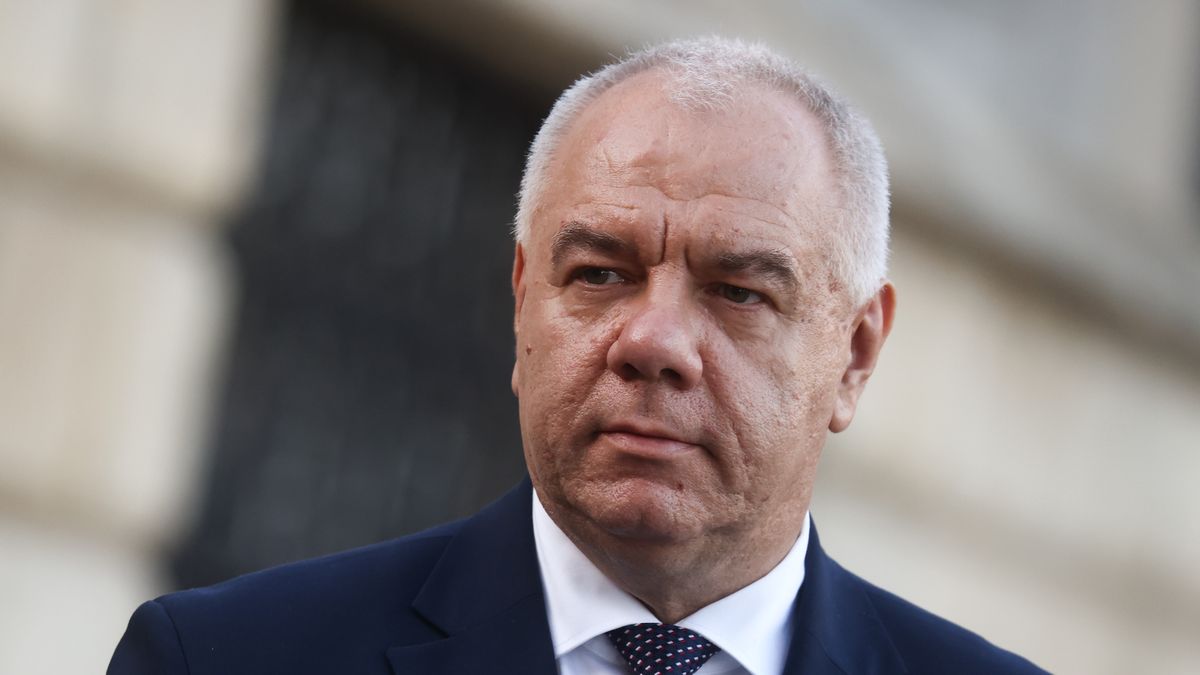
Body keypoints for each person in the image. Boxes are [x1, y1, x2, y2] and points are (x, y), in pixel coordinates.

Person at [109, 37, 1046, 674]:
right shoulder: (230, 658)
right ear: (524, 300)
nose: (652, 341)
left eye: (738, 291)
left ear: (855, 352)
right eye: (600, 272)